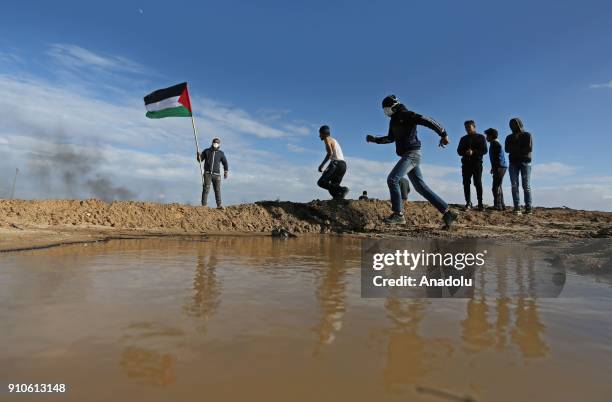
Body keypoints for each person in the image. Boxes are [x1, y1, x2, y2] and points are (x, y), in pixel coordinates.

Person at [366, 95, 457, 228]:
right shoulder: (393, 121)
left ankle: (398, 215)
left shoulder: (407, 114)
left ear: (394, 106)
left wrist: (443, 133)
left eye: (387, 108)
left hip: (412, 154)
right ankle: (448, 212)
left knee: (392, 179)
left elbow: (427, 120)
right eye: (384, 110)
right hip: (407, 155)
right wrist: (375, 139)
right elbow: (391, 138)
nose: (386, 112)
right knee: (420, 187)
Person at [456, 120, 488, 211]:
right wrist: (465, 152)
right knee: (466, 183)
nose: (467, 129)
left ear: (474, 126)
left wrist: (474, 152)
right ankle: (468, 203)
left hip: (477, 163)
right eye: (466, 127)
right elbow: (458, 151)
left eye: (469, 127)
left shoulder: (481, 137)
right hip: (466, 164)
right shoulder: (463, 139)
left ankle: (480, 204)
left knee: (477, 183)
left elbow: (485, 150)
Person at [505, 118, 533, 215]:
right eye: (511, 124)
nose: (513, 126)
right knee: (514, 185)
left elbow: (529, 148)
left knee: (526, 186)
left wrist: (515, 149)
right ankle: (517, 207)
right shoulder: (509, 137)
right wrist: (520, 148)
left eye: (515, 124)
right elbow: (507, 149)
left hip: (525, 162)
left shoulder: (527, 135)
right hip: (513, 163)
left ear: (519, 124)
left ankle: (528, 207)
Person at [317, 125, 349, 200]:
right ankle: (338, 199)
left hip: (336, 164)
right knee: (333, 189)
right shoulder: (334, 140)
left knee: (321, 182)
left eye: (320, 134)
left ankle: (343, 189)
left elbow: (330, 154)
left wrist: (322, 165)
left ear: (324, 134)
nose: (319, 136)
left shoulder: (327, 139)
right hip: (343, 165)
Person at [196, 138, 228, 208]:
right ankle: (204, 205)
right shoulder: (206, 151)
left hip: (217, 175)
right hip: (207, 173)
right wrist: (198, 155)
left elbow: (225, 163)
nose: (216, 144)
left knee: (217, 190)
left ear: (219, 144)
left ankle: (219, 205)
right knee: (206, 188)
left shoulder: (221, 153)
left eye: (217, 143)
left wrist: (226, 171)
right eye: (214, 142)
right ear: (212, 143)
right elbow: (200, 160)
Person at [485, 128, 508, 211]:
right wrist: (493, 167)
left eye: (487, 136)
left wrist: (496, 168)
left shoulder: (495, 144)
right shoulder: (493, 143)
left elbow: (498, 157)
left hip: (500, 167)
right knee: (499, 186)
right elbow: (495, 158)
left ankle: (498, 205)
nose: (486, 137)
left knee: (495, 187)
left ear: (491, 136)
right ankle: (502, 205)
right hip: (500, 166)